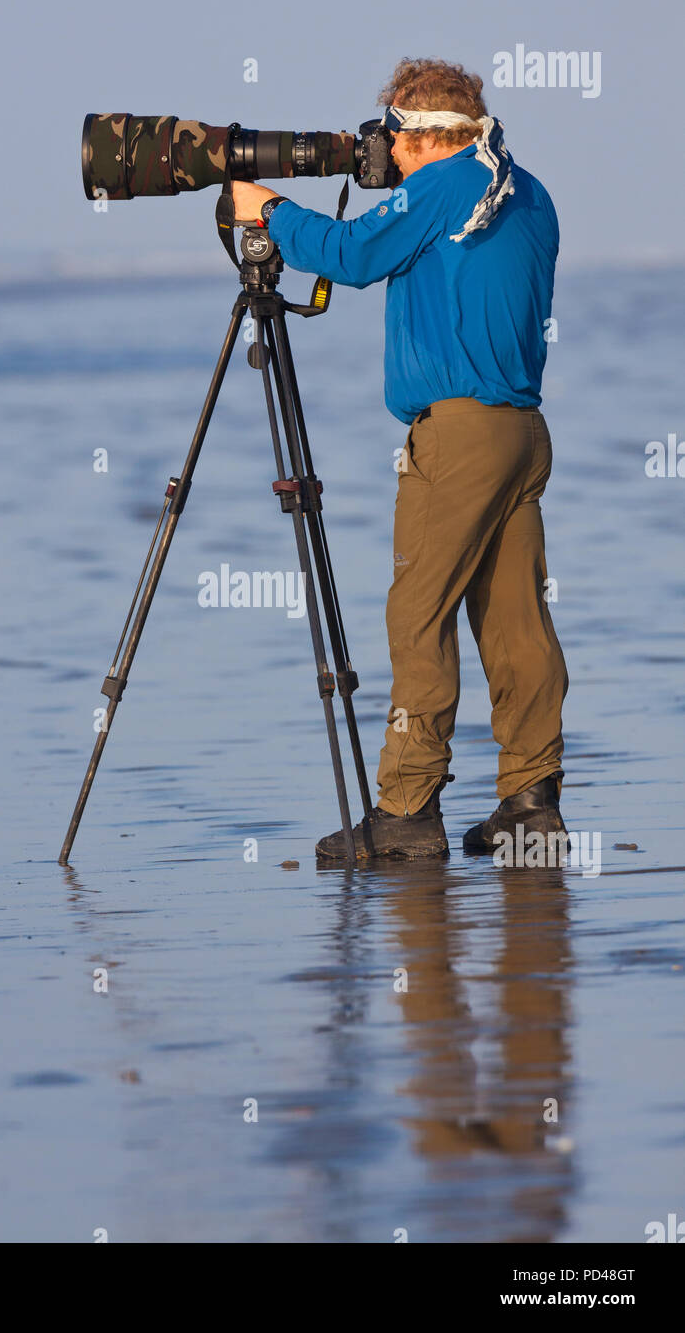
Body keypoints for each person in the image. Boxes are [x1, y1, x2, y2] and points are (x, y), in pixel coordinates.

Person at [231, 58, 568, 862]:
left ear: (419, 132)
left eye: (389, 133)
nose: (380, 150)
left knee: (417, 615)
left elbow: (350, 256)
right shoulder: (527, 191)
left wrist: (268, 209)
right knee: (515, 620)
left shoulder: (448, 182)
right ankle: (531, 803)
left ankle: (407, 812)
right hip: (520, 431)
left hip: (456, 438)